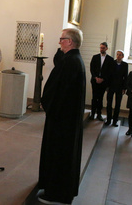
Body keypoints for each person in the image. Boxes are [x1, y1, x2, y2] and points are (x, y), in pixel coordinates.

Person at [38, 27, 85, 205]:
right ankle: (56, 188)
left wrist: (47, 102)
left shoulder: (70, 62)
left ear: (70, 42)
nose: (59, 42)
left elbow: (59, 91)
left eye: (61, 39)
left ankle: (57, 193)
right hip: (66, 118)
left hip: (62, 120)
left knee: (60, 155)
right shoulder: (73, 60)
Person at [89, 42, 113, 121]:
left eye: (103, 48)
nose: (101, 49)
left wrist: (103, 79)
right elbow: (92, 68)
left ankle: (99, 114)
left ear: (106, 48)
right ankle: (92, 114)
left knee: (100, 98)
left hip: (103, 81)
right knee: (94, 97)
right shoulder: (95, 57)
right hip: (95, 80)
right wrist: (96, 77)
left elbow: (110, 71)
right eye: (100, 47)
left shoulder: (110, 59)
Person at [105, 50, 128, 127]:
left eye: (120, 55)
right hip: (111, 86)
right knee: (109, 104)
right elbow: (108, 75)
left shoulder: (125, 65)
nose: (118, 56)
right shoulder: (112, 63)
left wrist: (124, 88)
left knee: (117, 105)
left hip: (120, 87)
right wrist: (107, 86)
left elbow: (126, 77)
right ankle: (108, 120)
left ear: (122, 56)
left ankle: (115, 121)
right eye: (117, 54)